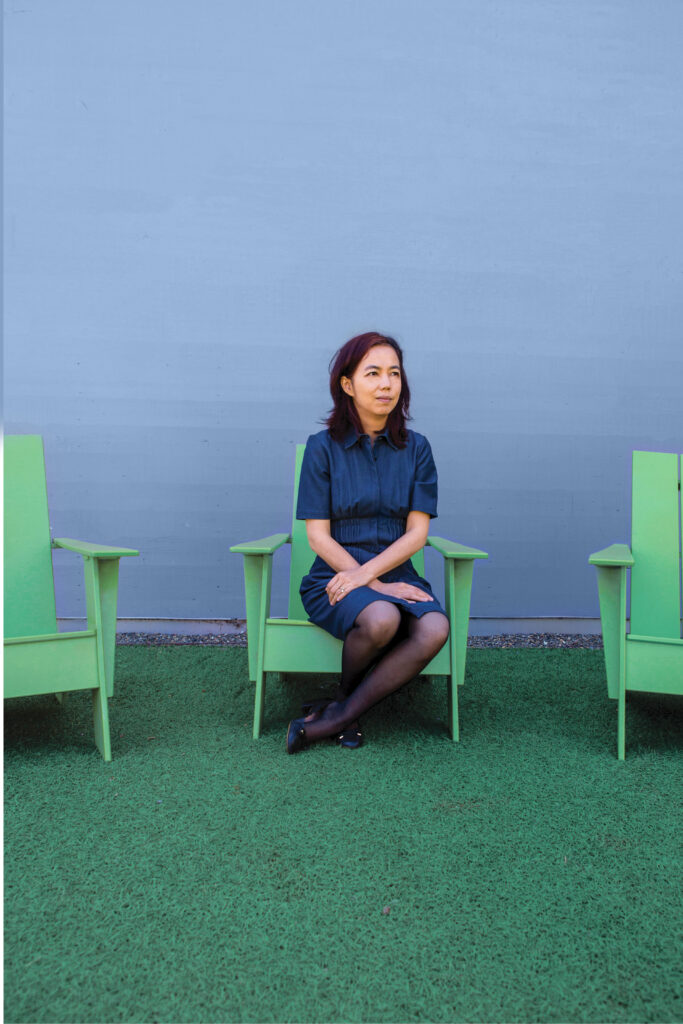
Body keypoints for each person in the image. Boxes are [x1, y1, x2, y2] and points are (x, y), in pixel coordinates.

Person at [287, 331, 450, 754]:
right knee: (381, 619)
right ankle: (343, 714)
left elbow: (417, 533)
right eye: (373, 373)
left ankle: (337, 714)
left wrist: (377, 576)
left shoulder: (417, 449)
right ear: (347, 384)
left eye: (394, 373)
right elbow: (317, 536)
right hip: (335, 577)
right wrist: (370, 582)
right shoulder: (322, 449)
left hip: (398, 572)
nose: (386, 384)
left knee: (434, 628)